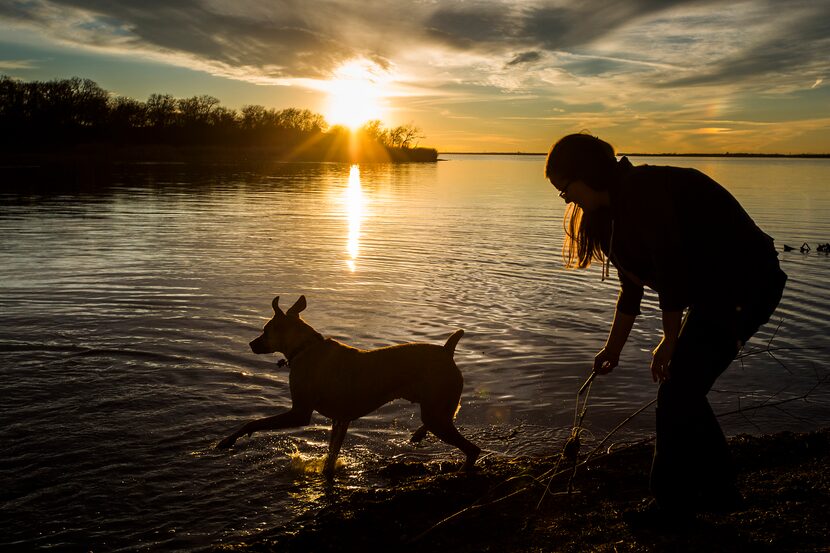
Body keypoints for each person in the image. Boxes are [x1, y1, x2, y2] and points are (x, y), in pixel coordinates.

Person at [545, 133, 786, 523]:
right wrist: (613, 350)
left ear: (584, 174)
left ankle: (677, 503)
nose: (567, 201)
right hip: (716, 292)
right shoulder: (612, 213)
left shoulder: (645, 192)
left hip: (747, 285)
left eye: (564, 190)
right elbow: (631, 290)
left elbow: (672, 270)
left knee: (679, 391)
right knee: (682, 391)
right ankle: (719, 492)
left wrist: (670, 340)